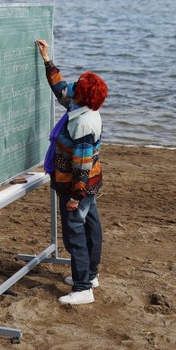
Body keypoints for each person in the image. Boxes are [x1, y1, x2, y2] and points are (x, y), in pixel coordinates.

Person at [35, 39, 108, 306]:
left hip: (78, 186)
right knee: (91, 226)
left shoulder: (84, 123)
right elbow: (60, 89)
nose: (73, 87)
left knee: (75, 233)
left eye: (78, 86)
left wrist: (75, 196)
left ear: (83, 95)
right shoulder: (79, 108)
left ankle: (83, 288)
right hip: (88, 184)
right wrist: (47, 59)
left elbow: (82, 166)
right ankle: (90, 275)